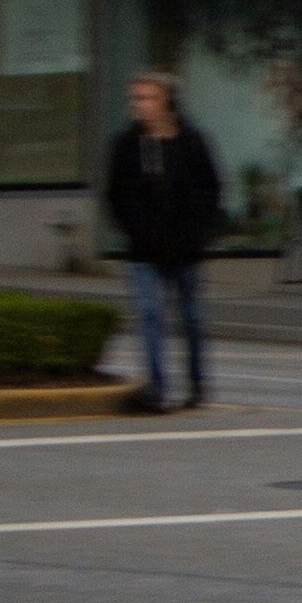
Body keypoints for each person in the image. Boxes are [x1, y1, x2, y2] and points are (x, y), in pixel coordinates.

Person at [99, 72, 224, 413]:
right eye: (135, 99)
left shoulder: (191, 141)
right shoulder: (126, 144)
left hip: (185, 249)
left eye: (147, 98)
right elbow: (114, 195)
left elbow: (212, 188)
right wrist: (133, 230)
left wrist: (200, 230)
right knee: (150, 315)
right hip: (144, 251)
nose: (139, 105)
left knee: (192, 320)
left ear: (166, 101)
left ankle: (197, 383)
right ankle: (156, 387)